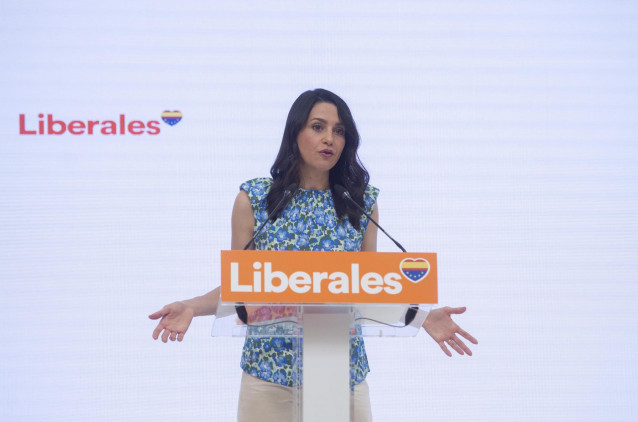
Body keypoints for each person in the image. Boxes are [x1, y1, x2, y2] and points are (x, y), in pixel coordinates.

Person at [149, 88, 478, 422]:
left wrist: (422, 317)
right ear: (295, 133)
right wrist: (191, 306)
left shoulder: (359, 203)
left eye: (339, 131)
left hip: (338, 367)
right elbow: (241, 289)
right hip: (269, 372)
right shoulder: (256, 199)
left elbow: (368, 290)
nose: (330, 139)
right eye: (318, 127)